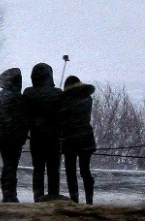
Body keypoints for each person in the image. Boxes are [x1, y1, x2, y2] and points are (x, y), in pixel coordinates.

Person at [23, 62, 63, 201]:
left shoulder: (28, 93)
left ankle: (38, 197)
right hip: (54, 138)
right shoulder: (58, 93)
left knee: (38, 169)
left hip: (37, 137)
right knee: (53, 170)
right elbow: (62, 116)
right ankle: (53, 196)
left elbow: (25, 115)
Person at [0, 67, 28, 202]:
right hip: (14, 137)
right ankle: (10, 195)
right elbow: (23, 118)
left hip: (2, 136)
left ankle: (7, 194)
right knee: (11, 166)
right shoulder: (17, 97)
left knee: (8, 164)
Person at [60, 75, 96, 204]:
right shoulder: (87, 99)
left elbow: (62, 118)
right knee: (85, 170)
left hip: (70, 139)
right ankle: (89, 201)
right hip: (86, 138)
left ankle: (74, 200)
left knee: (71, 171)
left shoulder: (66, 101)